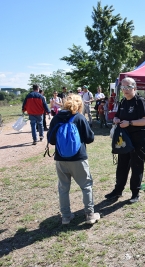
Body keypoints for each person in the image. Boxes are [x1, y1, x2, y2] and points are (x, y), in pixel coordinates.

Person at [47, 94, 100, 225]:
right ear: (79, 104)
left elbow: (52, 140)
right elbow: (90, 138)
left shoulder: (56, 118)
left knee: (63, 188)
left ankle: (65, 216)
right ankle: (90, 214)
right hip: (78, 159)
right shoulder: (79, 117)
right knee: (86, 186)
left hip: (61, 159)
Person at [105, 77, 145, 203]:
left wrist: (129, 123)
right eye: (123, 87)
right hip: (124, 139)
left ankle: (135, 193)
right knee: (122, 166)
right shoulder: (123, 102)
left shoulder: (140, 102)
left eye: (128, 87)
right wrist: (116, 120)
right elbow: (117, 116)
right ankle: (118, 190)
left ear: (134, 88)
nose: (125, 90)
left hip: (139, 139)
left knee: (136, 166)